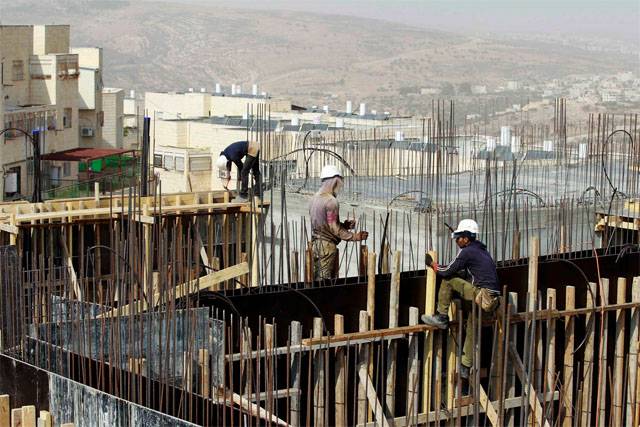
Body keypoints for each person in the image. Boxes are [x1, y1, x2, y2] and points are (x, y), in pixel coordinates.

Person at [421, 219, 500, 379]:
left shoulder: (468, 252)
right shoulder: (482, 251)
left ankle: (441, 316)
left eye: (458, 237)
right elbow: (470, 273)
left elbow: (447, 271)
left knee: (448, 280)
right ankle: (465, 366)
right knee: (472, 328)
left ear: (466, 237)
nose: (457, 241)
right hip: (492, 300)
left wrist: (432, 264)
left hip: (482, 295)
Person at [309, 165, 368, 280]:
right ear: (335, 180)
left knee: (315, 279)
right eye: (340, 182)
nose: (340, 186)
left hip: (315, 244)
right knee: (323, 282)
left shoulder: (314, 198)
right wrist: (355, 236)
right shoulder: (331, 201)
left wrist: (344, 226)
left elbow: (327, 223)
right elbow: (333, 228)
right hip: (326, 247)